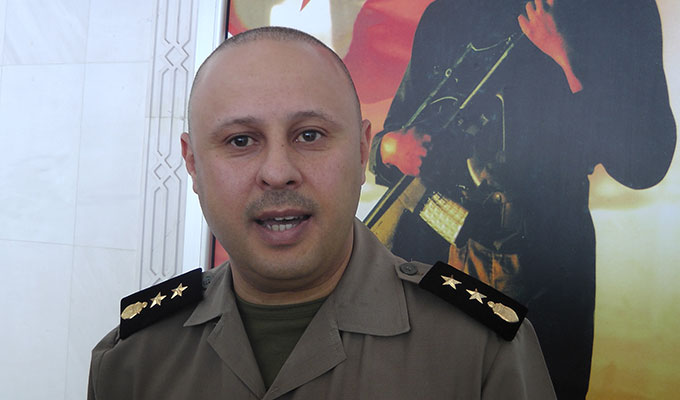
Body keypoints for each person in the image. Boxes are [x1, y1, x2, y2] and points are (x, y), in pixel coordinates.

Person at [87, 27, 556, 399]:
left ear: (361, 151)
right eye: (240, 140)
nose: (277, 172)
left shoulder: (481, 353)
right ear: (192, 165)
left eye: (309, 135)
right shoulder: (132, 359)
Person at [368, 0, 676, 398]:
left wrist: (570, 60)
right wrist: (393, 148)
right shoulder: (450, 14)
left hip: (549, 268)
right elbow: (393, 140)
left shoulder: (616, 11)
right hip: (445, 260)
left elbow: (645, 163)